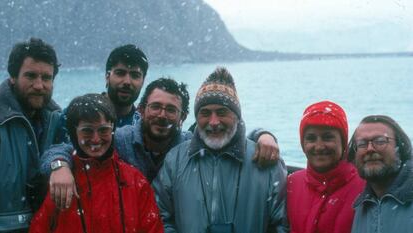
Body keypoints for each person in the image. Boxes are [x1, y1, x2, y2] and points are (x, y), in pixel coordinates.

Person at [42, 77, 280, 209]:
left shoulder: (189, 146)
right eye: (155, 107)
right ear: (142, 110)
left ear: (183, 117)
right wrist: (59, 165)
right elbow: (75, 147)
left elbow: (230, 136)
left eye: (171, 110)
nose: (162, 115)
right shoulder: (120, 139)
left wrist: (263, 135)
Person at [153, 67, 289, 233]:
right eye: (205, 113)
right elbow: (159, 217)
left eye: (222, 112)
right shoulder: (174, 161)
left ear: (237, 117)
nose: (214, 121)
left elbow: (283, 224)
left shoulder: (266, 161)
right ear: (196, 117)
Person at [29, 94, 163, 233]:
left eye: (103, 130)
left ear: (113, 129)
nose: (96, 139)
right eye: (87, 131)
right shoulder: (61, 182)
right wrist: (58, 166)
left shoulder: (136, 181)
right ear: (74, 133)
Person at [0, 38, 61, 232]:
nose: (39, 85)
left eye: (46, 78)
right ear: (13, 77)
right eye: (31, 76)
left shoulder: (57, 120)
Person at [287, 101, 365, 233]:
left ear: (343, 143)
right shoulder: (292, 183)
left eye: (328, 137)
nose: (319, 146)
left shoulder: (365, 187)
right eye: (311, 138)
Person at [56, 44, 148, 142]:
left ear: (142, 81)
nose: (127, 82)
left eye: (135, 75)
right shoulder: (75, 114)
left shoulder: (142, 127)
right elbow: (58, 149)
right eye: (120, 73)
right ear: (107, 77)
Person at [348, 115, 413, 232]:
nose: (370, 149)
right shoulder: (361, 208)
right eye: (362, 143)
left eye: (380, 141)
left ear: (400, 147)